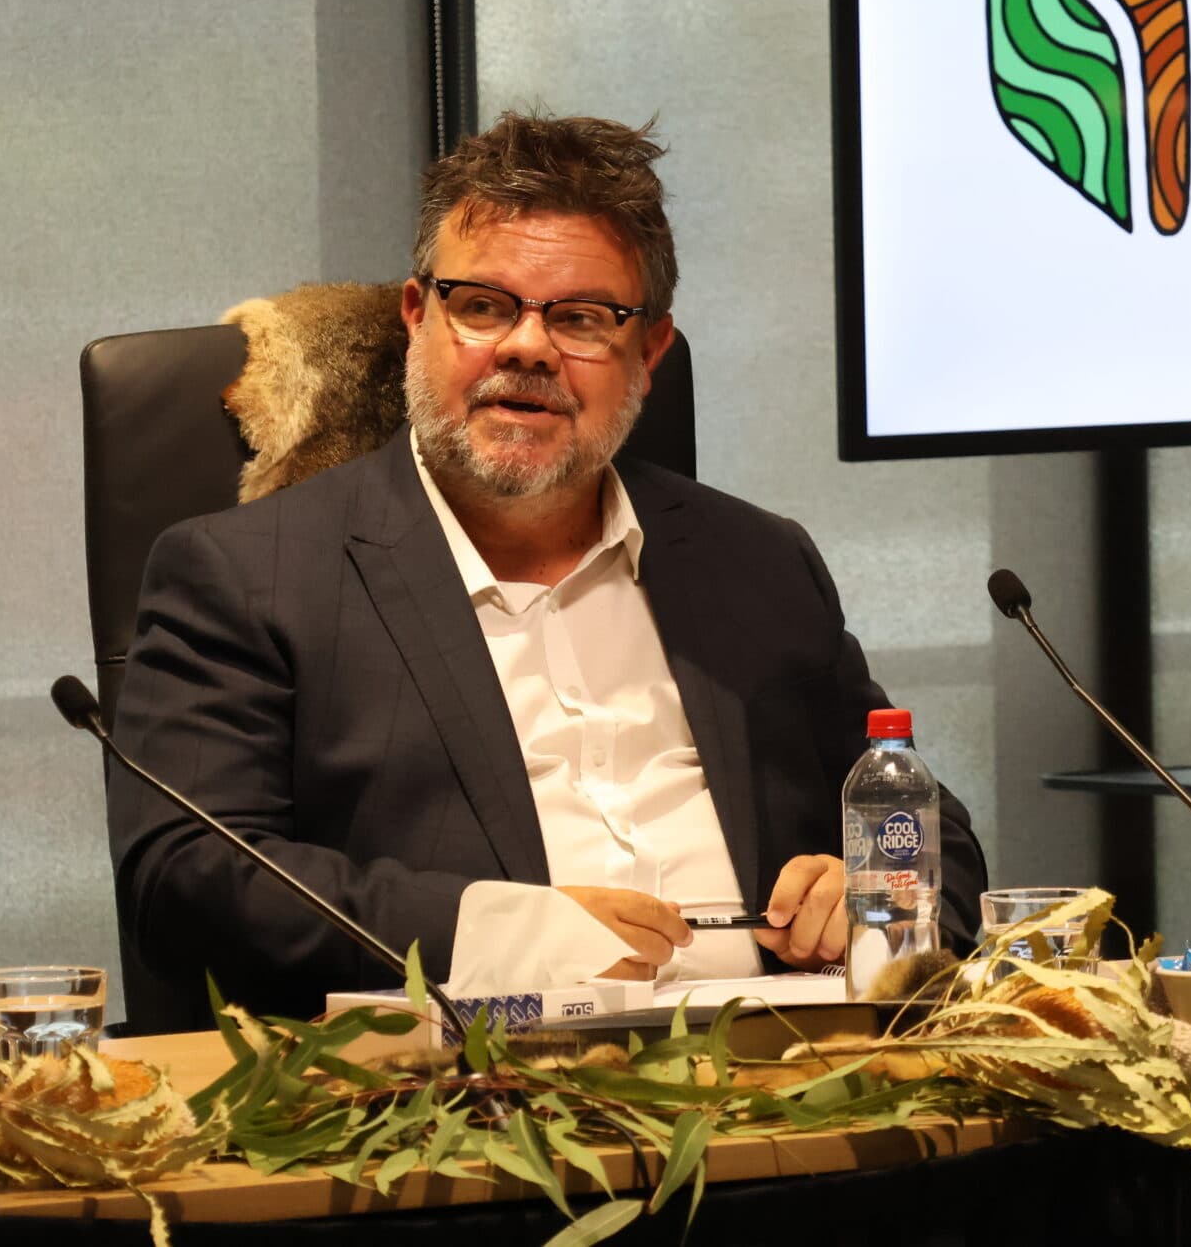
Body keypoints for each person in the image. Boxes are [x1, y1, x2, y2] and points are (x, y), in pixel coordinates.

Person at [108, 113, 987, 1025]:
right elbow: (186, 869)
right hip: (464, 1116)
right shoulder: (250, 574)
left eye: (579, 318)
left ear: (649, 352)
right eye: (484, 305)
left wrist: (879, 890)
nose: (527, 347)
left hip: (792, 1074)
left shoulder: (755, 562)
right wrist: (507, 934)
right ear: (419, 319)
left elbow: (934, 831)